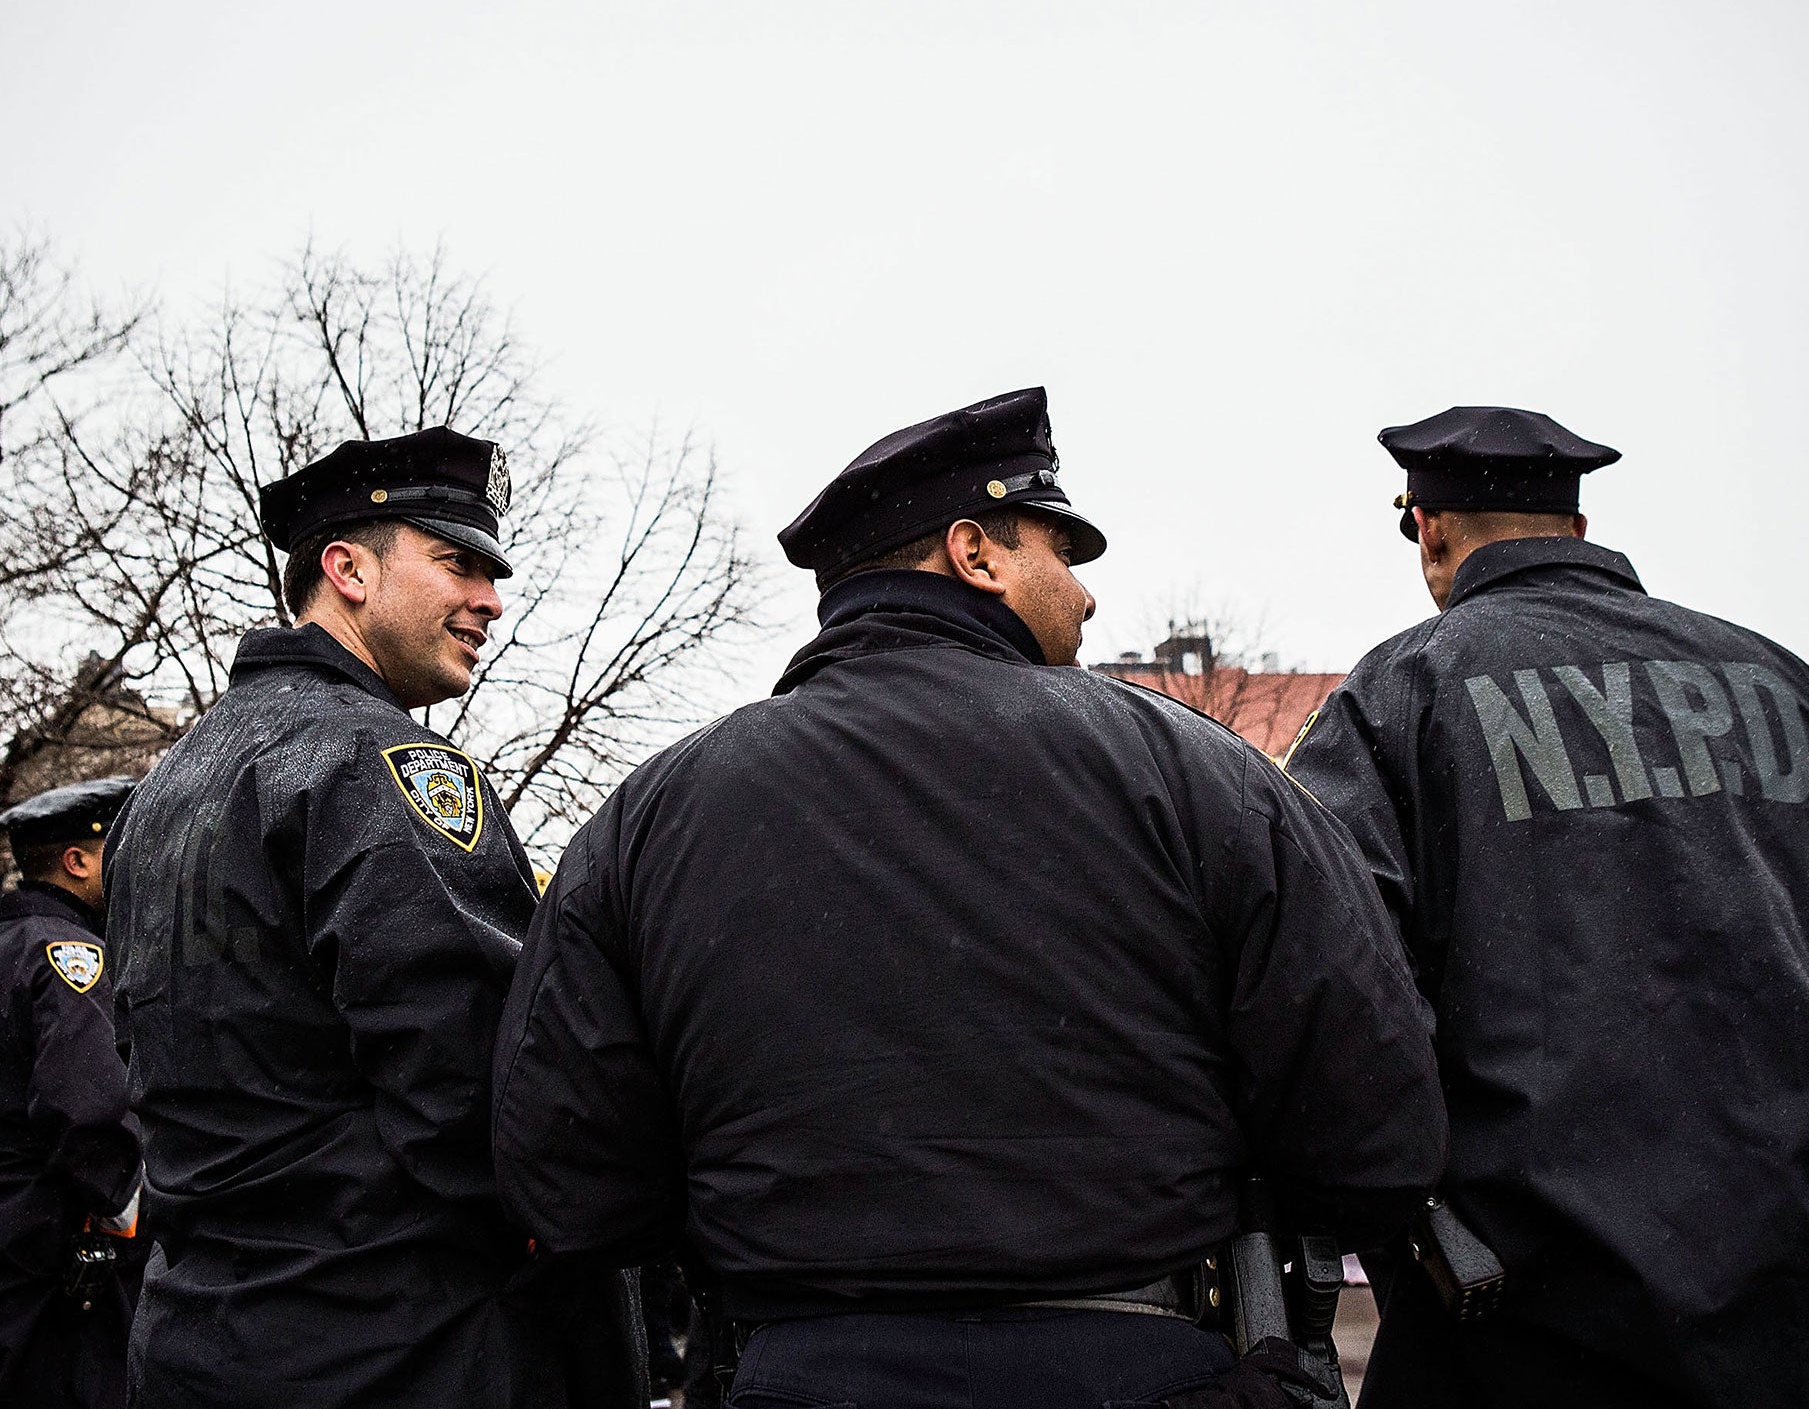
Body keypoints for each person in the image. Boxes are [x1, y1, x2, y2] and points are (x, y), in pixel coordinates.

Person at [492, 388, 1448, 1409]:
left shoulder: (646, 820)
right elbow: (1374, 1134)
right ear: (974, 555)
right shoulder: (1197, 773)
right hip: (1145, 1372)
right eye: (1061, 554)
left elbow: (569, 1179)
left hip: (798, 1373)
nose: (1083, 597)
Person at [1285, 405, 1809, 1409]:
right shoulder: (1781, 680)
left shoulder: (1402, 691)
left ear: (1427, 529)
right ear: (1580, 533)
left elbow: (1335, 985)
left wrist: (1422, 1191)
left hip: (1544, 1304)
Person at [103, 427, 638, 1409]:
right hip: (397, 1340)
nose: (489, 600)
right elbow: (487, 1086)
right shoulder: (379, 764)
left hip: (202, 1333)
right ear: (346, 568)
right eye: (456, 564)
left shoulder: (162, 791)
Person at [0, 777, 146, 1409]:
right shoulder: (70, 955)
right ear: (78, 861)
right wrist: (136, 1208)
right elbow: (90, 1112)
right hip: (48, 1248)